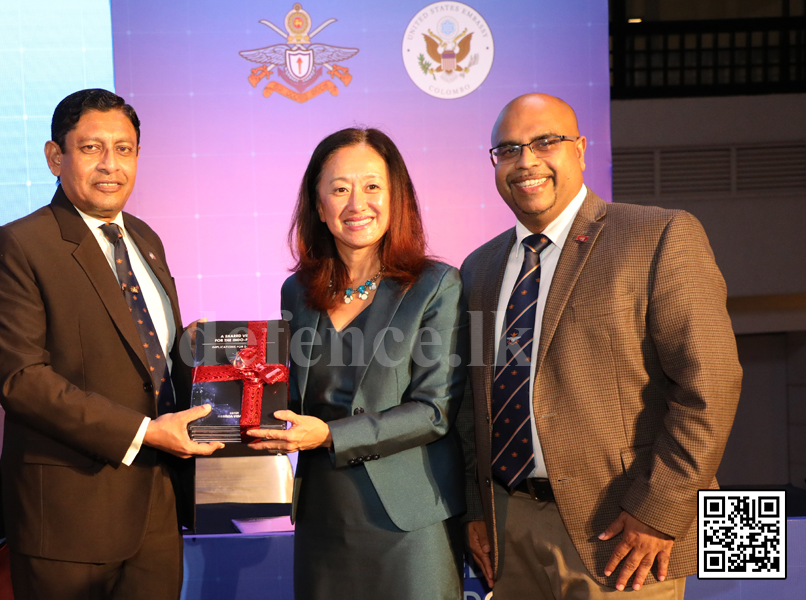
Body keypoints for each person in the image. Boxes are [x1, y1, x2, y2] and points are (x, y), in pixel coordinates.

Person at [458, 93, 741, 599]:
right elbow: (471, 404)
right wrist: (477, 511)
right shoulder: (478, 268)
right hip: (508, 528)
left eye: (545, 142)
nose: (526, 161)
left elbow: (711, 385)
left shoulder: (658, 234)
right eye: (507, 149)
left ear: (581, 149)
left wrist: (659, 512)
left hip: (623, 535)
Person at [0, 88, 223, 599]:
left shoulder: (145, 238)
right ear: (55, 157)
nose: (111, 164)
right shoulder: (18, 245)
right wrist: (146, 433)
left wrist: (196, 353)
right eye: (91, 148)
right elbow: (23, 381)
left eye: (125, 149)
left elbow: (145, 355)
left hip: (156, 511)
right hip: (67, 520)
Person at [247, 128, 469, 599]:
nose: (356, 204)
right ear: (318, 203)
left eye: (372, 187)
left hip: (409, 522)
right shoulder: (298, 293)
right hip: (323, 516)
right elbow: (287, 394)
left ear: (397, 197)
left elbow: (434, 411)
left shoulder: (436, 285)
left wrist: (329, 435)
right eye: (339, 188)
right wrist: (225, 368)